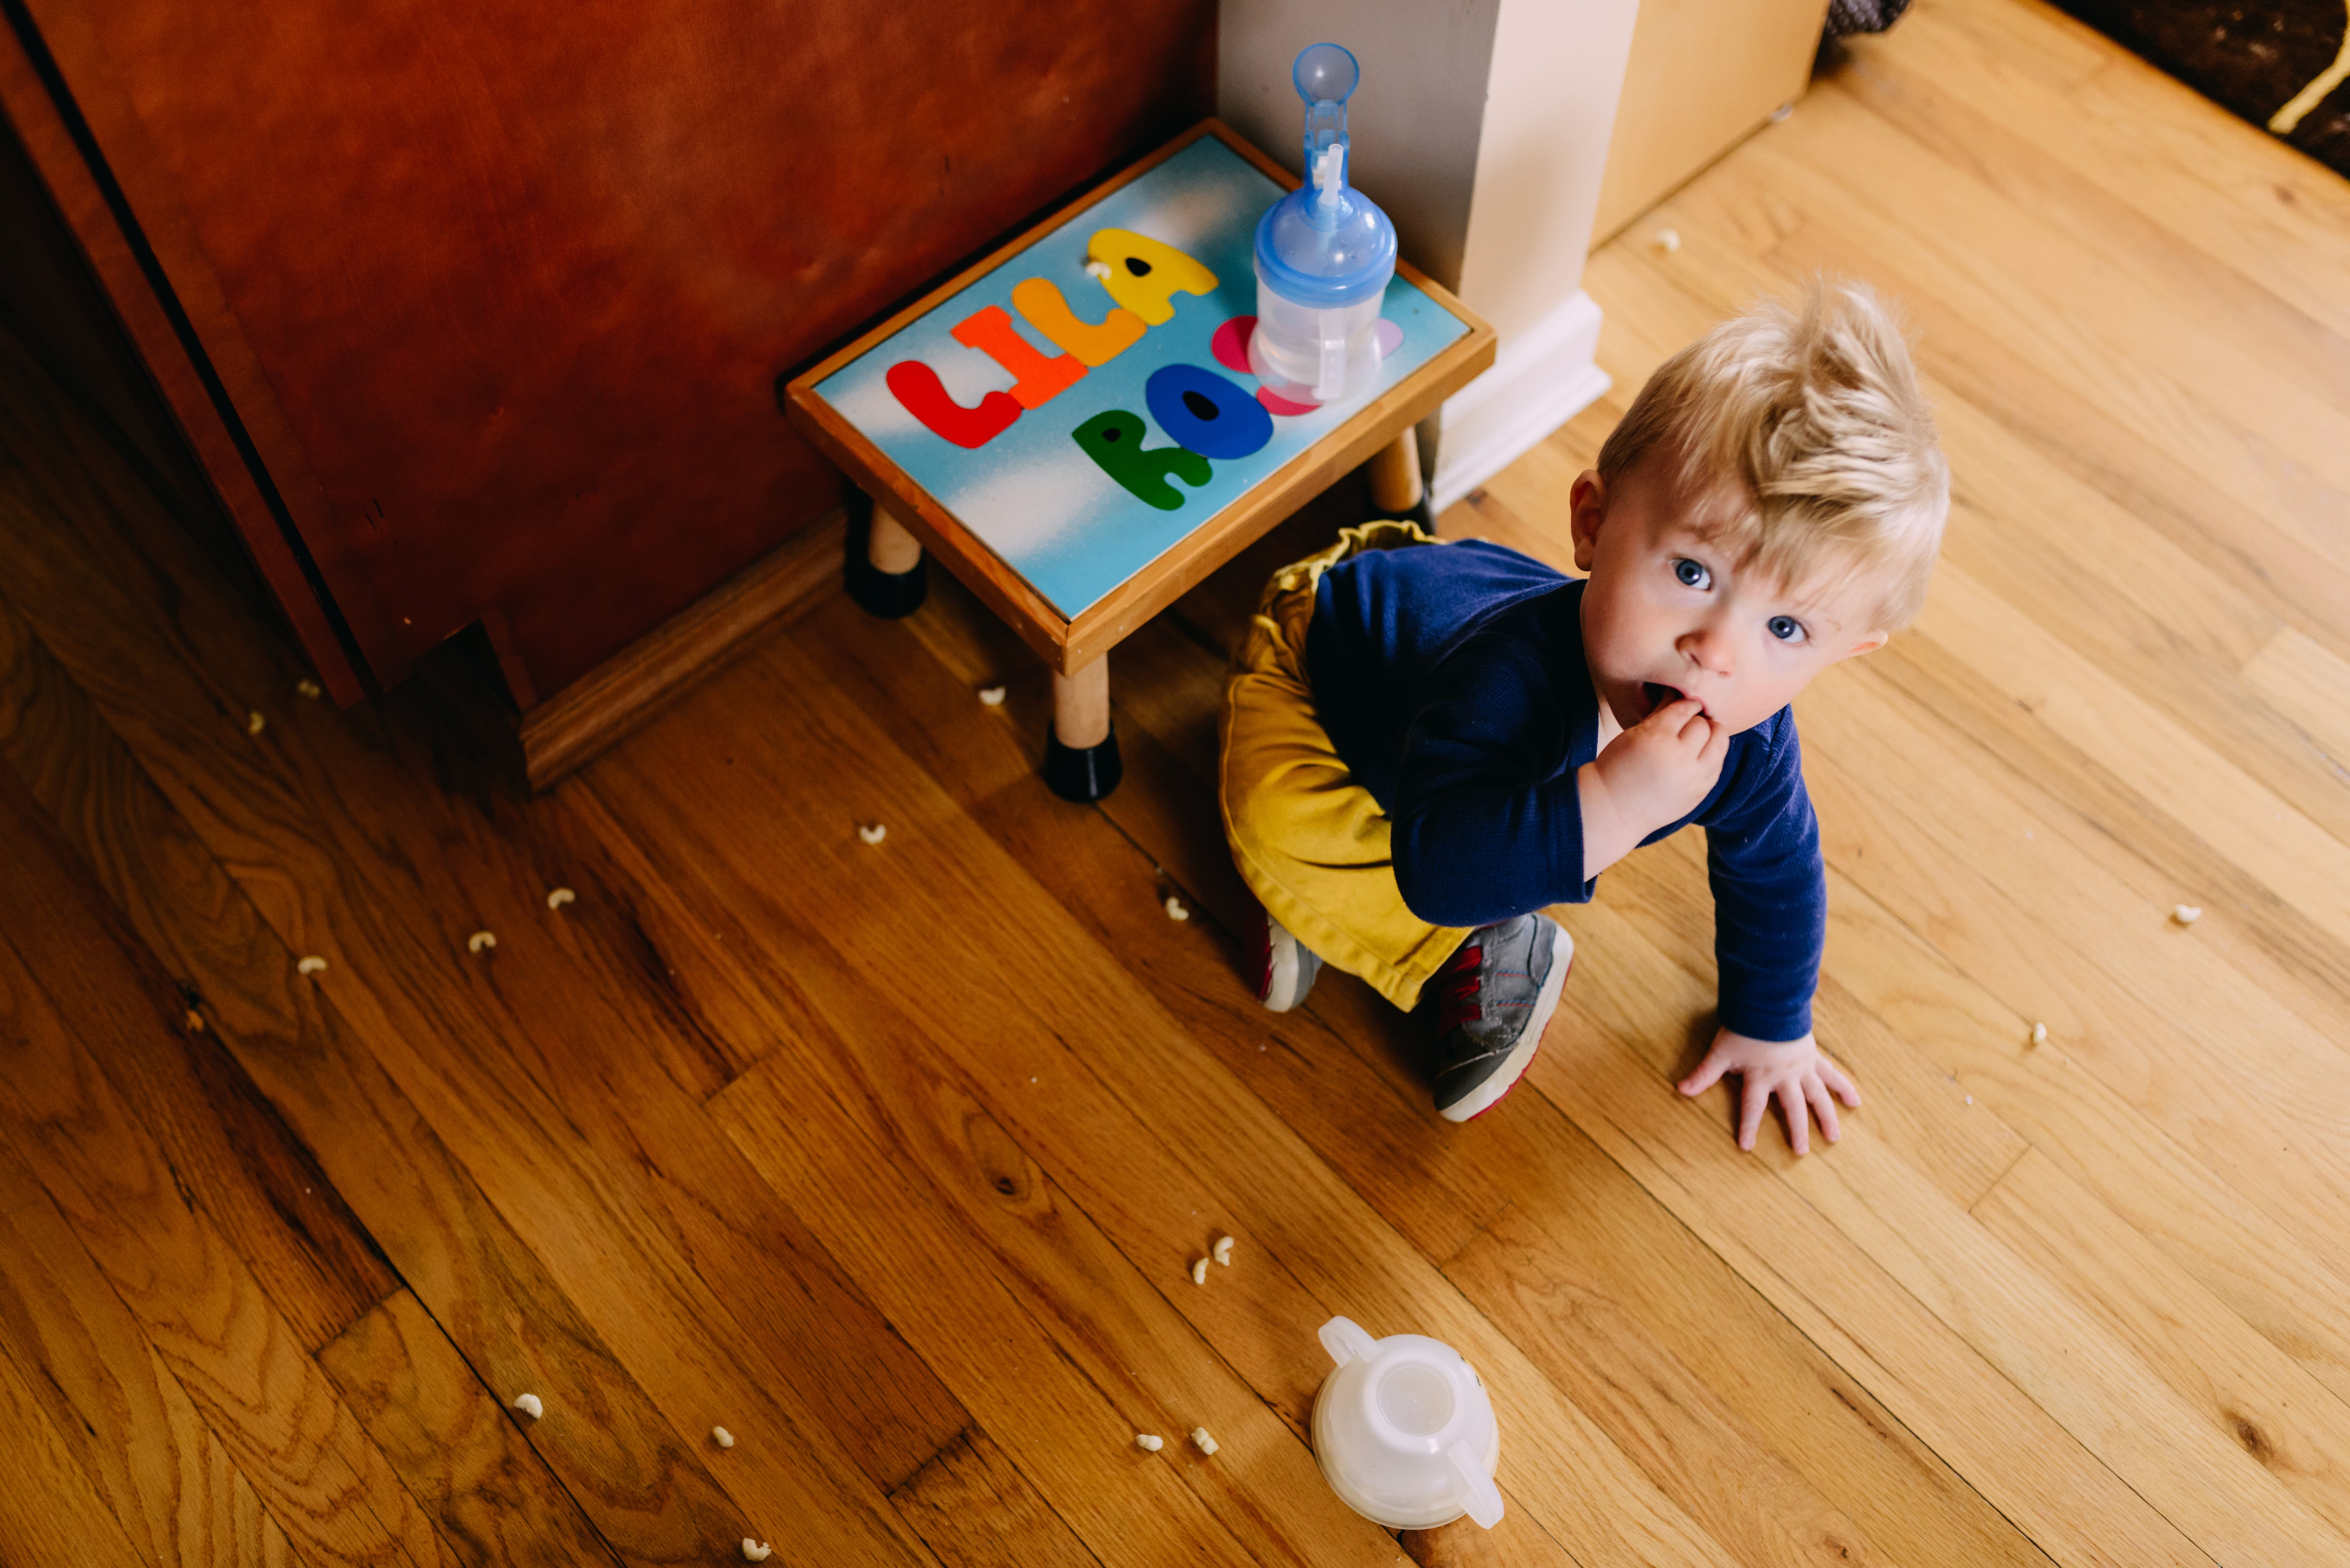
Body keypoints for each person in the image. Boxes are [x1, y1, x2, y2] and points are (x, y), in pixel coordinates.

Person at [1218, 278, 1949, 1146]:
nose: (1716, 652)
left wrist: (1772, 1021)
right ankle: (1412, 933)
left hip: (1448, 787)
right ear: (1592, 524)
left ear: (1843, 652)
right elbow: (1440, 873)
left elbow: (1778, 870)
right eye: (1691, 574)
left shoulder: (1749, 743)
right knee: (1273, 812)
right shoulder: (1502, 677)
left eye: (1786, 627)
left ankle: (1325, 910)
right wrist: (1616, 804)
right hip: (1325, 675)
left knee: (1443, 834)